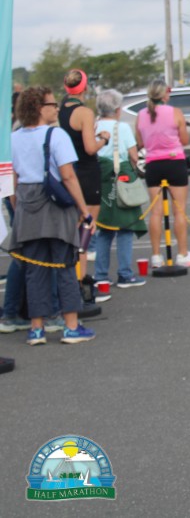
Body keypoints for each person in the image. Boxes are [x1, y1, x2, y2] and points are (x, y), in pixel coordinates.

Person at [8, 86, 96, 344]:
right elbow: (67, 176)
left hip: (27, 204)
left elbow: (12, 180)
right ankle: (71, 326)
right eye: (52, 104)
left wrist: (17, 208)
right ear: (39, 108)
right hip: (56, 206)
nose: (57, 108)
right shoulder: (56, 135)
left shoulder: (13, 138)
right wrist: (84, 210)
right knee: (65, 265)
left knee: (34, 269)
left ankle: (36, 329)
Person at [135, 79, 190, 268]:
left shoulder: (141, 115)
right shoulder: (175, 112)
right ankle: (182, 254)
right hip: (174, 162)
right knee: (179, 210)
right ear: (164, 94)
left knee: (155, 212)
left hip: (153, 164)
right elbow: (184, 140)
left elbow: (140, 142)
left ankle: (156, 256)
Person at [93, 89, 147, 294]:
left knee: (104, 230)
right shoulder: (121, 127)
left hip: (100, 181)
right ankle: (125, 274)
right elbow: (133, 155)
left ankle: (100, 276)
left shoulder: (93, 126)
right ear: (117, 109)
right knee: (125, 228)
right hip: (121, 179)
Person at [58, 69, 107, 290]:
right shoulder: (84, 112)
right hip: (87, 171)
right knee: (86, 229)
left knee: (73, 228)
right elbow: (89, 148)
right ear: (85, 87)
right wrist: (103, 139)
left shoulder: (60, 110)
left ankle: (73, 279)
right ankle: (80, 280)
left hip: (68, 169)